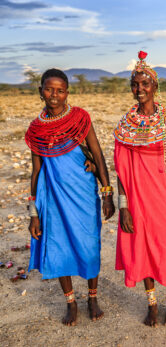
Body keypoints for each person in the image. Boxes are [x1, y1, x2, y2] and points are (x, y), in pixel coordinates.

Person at [25, 68, 115, 326]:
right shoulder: (36, 130)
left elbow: (97, 155)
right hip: (52, 197)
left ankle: (92, 298)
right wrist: (33, 213)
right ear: (40, 91)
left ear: (67, 93)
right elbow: (36, 171)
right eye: (49, 89)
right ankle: (71, 301)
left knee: (89, 245)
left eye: (60, 90)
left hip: (83, 193)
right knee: (58, 246)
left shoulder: (80, 118)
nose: (55, 95)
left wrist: (107, 193)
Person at [113, 51, 166, 326]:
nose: (139, 89)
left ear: (155, 86)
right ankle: (152, 304)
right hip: (137, 198)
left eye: (145, 83)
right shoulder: (125, 126)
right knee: (141, 249)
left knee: (165, 248)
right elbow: (120, 170)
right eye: (135, 84)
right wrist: (124, 207)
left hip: (164, 196)